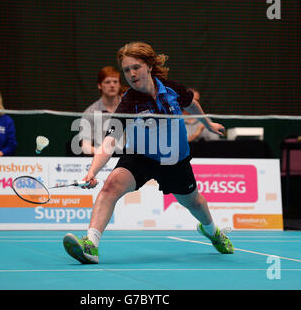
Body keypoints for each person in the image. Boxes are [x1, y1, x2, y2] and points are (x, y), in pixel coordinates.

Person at [63, 42, 234, 264]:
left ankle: (213, 233)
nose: (132, 74)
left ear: (149, 66)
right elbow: (110, 140)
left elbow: (192, 103)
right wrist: (92, 171)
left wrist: (208, 124)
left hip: (175, 160)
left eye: (136, 67)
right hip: (141, 157)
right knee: (110, 186)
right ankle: (90, 244)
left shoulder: (172, 89)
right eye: (126, 70)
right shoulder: (128, 103)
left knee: (196, 204)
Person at [79, 66, 123, 155]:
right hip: (101, 160)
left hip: (127, 161)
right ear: (99, 85)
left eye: (115, 82)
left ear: (119, 85)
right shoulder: (90, 112)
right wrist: (105, 155)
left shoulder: (131, 108)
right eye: (107, 82)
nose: (112, 85)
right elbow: (86, 148)